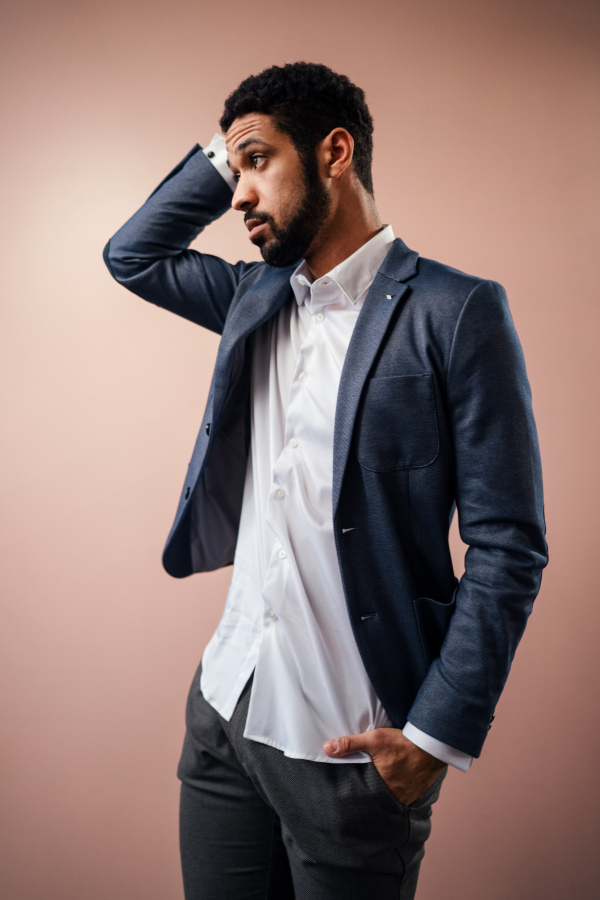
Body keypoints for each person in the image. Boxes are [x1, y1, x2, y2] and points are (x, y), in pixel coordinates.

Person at [103, 62, 548, 899]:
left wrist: (435, 735)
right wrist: (228, 144)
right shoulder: (253, 298)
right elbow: (132, 254)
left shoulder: (455, 312)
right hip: (225, 716)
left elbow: (509, 544)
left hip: (349, 746)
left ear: (335, 151)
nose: (238, 196)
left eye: (259, 162)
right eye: (232, 173)